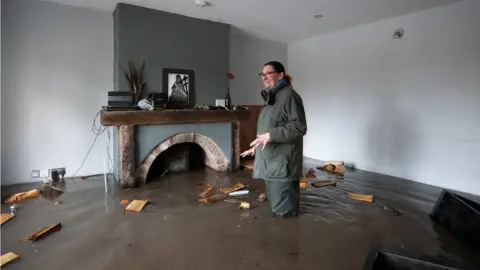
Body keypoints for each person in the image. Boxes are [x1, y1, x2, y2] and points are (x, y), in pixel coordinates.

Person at [241, 61, 307, 218]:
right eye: (262, 74)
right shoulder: (272, 98)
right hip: (272, 162)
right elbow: (268, 129)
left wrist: (270, 135)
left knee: (284, 212)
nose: (264, 77)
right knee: (277, 206)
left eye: (268, 73)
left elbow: (298, 128)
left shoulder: (289, 96)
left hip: (282, 164)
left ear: (280, 75)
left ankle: (287, 240)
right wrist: (255, 147)